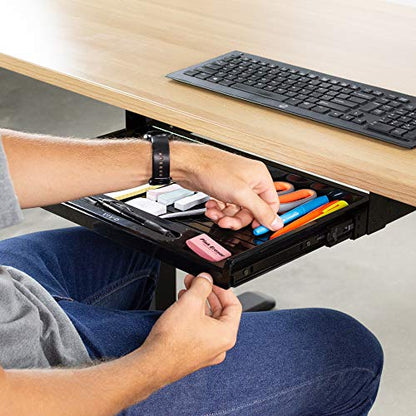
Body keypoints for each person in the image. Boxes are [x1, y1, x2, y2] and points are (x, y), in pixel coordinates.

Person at [0, 128, 383, 416]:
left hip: (12, 297)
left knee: (137, 242)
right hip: (37, 384)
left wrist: (180, 161)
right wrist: (158, 364)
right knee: (346, 349)